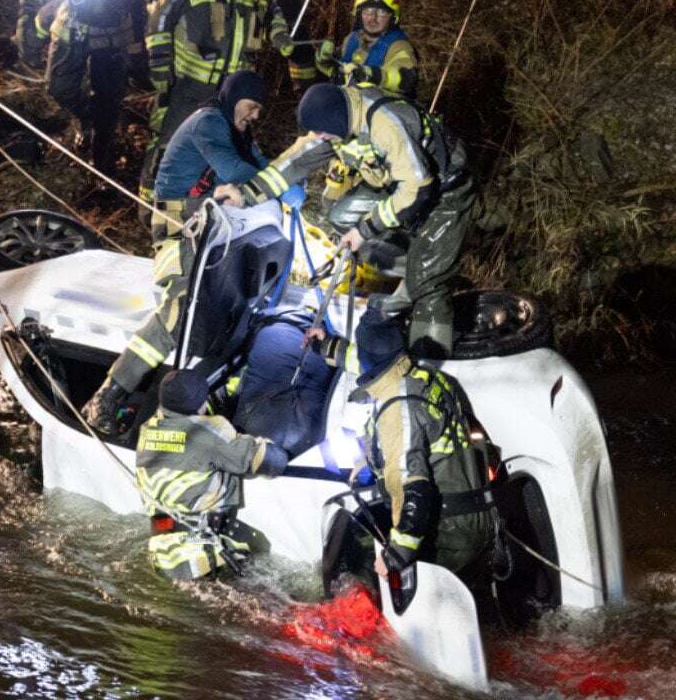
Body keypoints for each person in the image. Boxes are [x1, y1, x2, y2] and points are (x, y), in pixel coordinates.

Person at [83, 71, 305, 433]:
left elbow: (259, 165)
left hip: (212, 219)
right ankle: (110, 393)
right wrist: (279, 188)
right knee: (179, 310)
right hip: (178, 222)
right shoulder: (209, 124)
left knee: (227, 299)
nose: (255, 116)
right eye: (251, 108)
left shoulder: (239, 130)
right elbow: (235, 169)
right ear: (234, 99)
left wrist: (289, 179)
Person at [213, 82, 473, 357]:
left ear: (337, 121)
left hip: (444, 189)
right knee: (343, 217)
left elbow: (417, 187)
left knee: (426, 286)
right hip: (394, 184)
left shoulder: (385, 124)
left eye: (322, 133)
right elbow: (294, 162)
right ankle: (420, 266)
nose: (318, 137)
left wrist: (365, 229)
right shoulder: (336, 121)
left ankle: (431, 357)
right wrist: (247, 194)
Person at [305, 309, 496, 591]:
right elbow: (366, 360)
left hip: (448, 531)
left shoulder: (397, 407)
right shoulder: (423, 376)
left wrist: (396, 554)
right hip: (477, 517)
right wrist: (326, 345)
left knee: (362, 570)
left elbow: (412, 488)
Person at [137, 0, 290, 222]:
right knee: (166, 144)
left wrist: (281, 36)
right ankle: (150, 210)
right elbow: (159, 19)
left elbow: (275, 16)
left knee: (226, 149)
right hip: (189, 84)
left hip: (231, 92)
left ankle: (209, 209)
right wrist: (160, 65)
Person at [16, 0, 162, 173]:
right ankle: (84, 117)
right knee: (59, 88)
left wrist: (151, 28)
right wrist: (27, 8)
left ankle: (101, 164)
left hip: (115, 36)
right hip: (72, 28)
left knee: (108, 102)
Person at [136, 370, 286, 580]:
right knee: (264, 557)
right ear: (201, 403)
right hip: (202, 558)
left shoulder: (148, 428)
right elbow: (272, 462)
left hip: (164, 554)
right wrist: (265, 443)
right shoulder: (209, 432)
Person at [316, 0, 420, 99]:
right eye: (368, 10)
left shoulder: (399, 46)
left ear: (393, 17)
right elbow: (334, 72)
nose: (373, 18)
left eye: (381, 12)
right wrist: (324, 60)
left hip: (379, 112)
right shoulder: (352, 39)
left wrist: (370, 74)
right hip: (346, 108)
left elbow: (406, 78)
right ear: (359, 13)